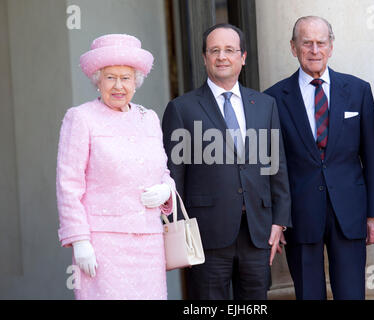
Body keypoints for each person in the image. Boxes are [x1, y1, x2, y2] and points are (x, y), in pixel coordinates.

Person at [162, 23, 291, 300]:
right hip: (206, 234)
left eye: (230, 50)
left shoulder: (265, 105)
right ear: (204, 58)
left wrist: (279, 221)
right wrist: (178, 230)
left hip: (257, 232)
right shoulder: (181, 109)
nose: (222, 56)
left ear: (242, 57)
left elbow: (276, 165)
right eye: (215, 50)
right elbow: (173, 177)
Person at [264, 16, 374, 300]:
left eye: (321, 43)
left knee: (352, 294)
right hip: (299, 213)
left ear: (331, 47)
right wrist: (277, 217)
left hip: (350, 211)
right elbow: (271, 164)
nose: (314, 50)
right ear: (293, 48)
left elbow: (372, 156)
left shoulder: (358, 91)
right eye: (306, 43)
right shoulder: (273, 98)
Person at [56, 34, 175, 300]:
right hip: (103, 245)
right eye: (110, 77)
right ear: (98, 80)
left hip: (149, 243)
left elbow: (163, 172)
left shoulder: (149, 118)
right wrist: (80, 240)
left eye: (126, 77)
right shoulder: (82, 118)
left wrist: (166, 191)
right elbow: (69, 185)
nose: (118, 85)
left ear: (136, 81)